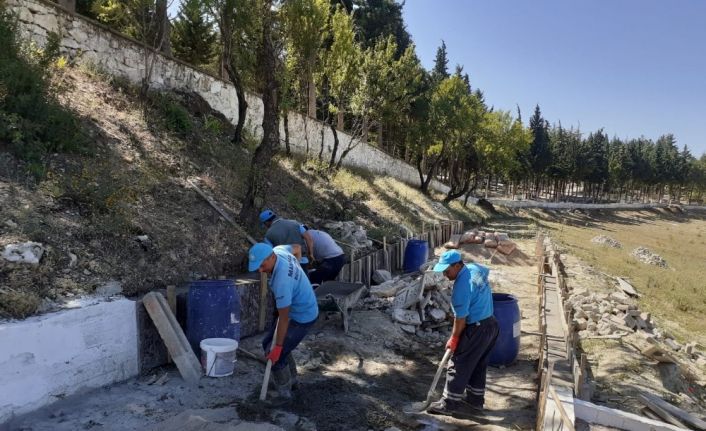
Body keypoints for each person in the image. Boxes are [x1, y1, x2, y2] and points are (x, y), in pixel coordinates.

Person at [426, 250, 499, 418]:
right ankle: (475, 400)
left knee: (459, 362)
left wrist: (454, 338)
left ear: (458, 265)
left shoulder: (460, 289)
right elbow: (485, 270)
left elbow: (460, 320)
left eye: (447, 270)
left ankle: (449, 403)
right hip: (491, 324)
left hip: (477, 328)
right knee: (478, 364)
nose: (445, 274)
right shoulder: (475, 268)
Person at [248, 242, 319, 402]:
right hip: (300, 306)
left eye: (262, 265)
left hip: (302, 315)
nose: (260, 271)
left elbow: (284, 318)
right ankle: (292, 381)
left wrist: (278, 348)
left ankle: (285, 394)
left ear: (271, 257)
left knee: (275, 355)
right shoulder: (279, 250)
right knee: (268, 343)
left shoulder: (282, 282)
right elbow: (297, 248)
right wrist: (299, 269)